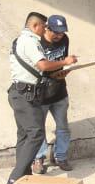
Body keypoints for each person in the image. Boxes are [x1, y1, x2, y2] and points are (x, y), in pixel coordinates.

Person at [7, 12, 77, 184]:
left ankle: (23, 174)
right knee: (36, 134)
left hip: (22, 92)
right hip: (26, 94)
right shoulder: (30, 41)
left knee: (24, 135)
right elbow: (43, 65)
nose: (45, 29)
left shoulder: (20, 40)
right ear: (35, 26)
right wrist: (64, 62)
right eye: (45, 26)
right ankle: (16, 177)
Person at [33, 14, 76, 173]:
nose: (59, 35)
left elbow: (62, 60)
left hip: (59, 90)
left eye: (62, 32)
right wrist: (64, 62)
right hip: (40, 93)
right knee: (38, 128)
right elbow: (42, 66)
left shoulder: (64, 39)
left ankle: (61, 156)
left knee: (63, 127)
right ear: (47, 28)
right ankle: (38, 159)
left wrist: (66, 70)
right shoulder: (36, 43)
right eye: (56, 32)